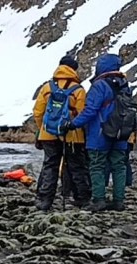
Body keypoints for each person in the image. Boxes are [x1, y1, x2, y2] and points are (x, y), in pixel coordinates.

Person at [60, 54, 133, 212]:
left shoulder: (99, 85)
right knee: (119, 166)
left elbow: (90, 110)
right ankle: (119, 201)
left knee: (97, 166)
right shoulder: (124, 85)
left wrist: (73, 124)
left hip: (100, 134)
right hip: (121, 133)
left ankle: (99, 200)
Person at [32, 55, 90, 211]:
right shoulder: (78, 90)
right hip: (72, 135)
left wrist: (43, 129)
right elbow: (82, 114)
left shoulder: (47, 87)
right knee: (76, 166)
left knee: (50, 165)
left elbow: (37, 112)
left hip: (48, 135)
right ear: (74, 69)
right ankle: (82, 198)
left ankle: (44, 199)